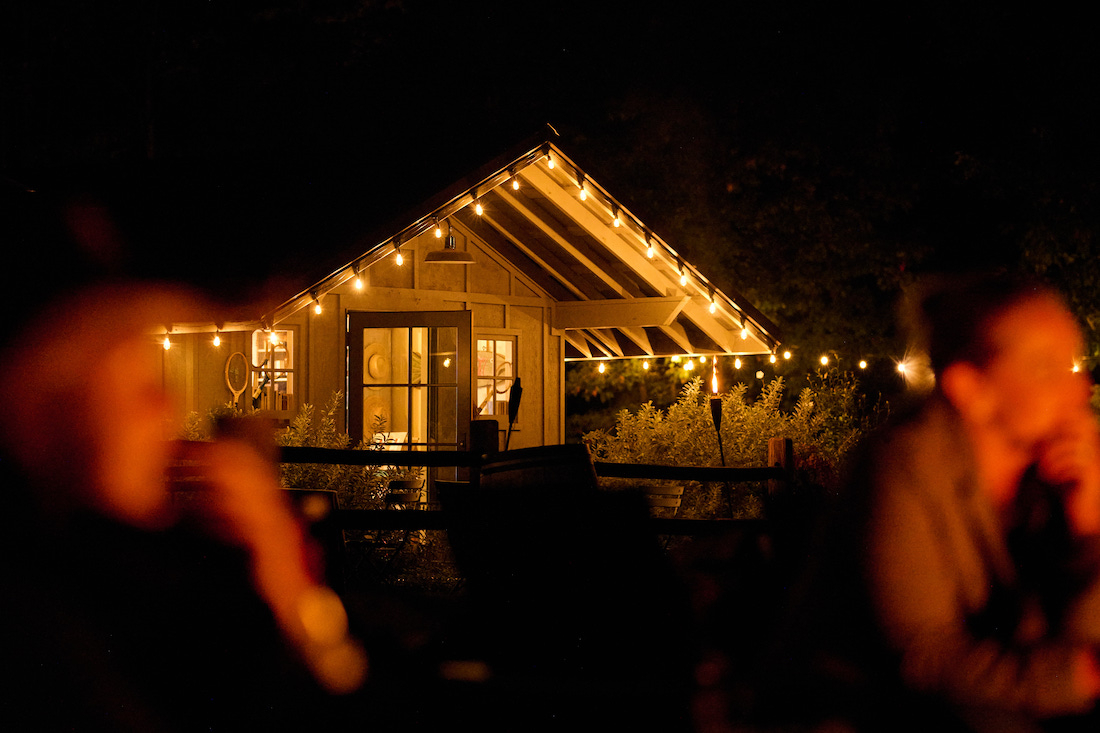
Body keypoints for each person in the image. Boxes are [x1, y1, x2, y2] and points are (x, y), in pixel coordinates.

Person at [0, 190, 366, 731]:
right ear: (45, 402)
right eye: (144, 389)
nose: (171, 415)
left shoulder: (149, 576)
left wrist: (283, 575)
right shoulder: (40, 622)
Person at [762, 274, 1100, 732]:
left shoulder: (1058, 471)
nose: (1078, 389)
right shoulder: (903, 465)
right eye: (1046, 368)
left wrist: (1088, 527)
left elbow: (1079, 636)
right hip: (851, 709)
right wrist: (1077, 677)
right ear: (972, 389)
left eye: (1073, 363)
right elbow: (923, 657)